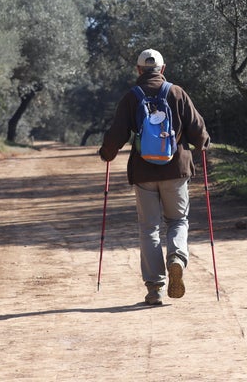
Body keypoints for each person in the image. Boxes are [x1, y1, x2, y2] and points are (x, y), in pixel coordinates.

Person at [100, 48, 210, 306]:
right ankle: (176, 258)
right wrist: (203, 143)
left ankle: (154, 288)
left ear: (138, 70)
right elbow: (197, 129)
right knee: (178, 221)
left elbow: (117, 133)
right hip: (176, 170)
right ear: (162, 69)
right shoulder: (176, 92)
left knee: (149, 228)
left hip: (143, 172)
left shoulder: (131, 96)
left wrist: (107, 153)